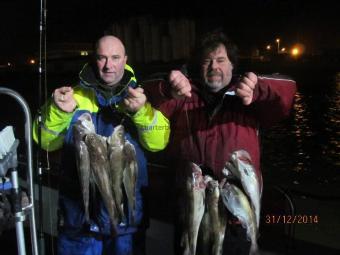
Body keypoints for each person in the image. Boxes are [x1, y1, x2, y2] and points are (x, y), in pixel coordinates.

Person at [143, 31, 297, 254]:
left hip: (235, 216)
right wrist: (168, 87)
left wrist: (258, 88)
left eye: (221, 60)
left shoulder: (249, 100)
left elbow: (288, 89)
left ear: (233, 66)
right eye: (207, 60)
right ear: (199, 65)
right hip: (191, 212)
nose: (214, 66)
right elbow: (144, 93)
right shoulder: (181, 97)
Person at [33, 35, 170, 255]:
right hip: (78, 219)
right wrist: (59, 112)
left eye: (115, 57)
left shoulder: (140, 96)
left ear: (125, 59)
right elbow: (46, 141)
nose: (109, 65)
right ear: (93, 59)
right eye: (102, 58)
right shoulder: (71, 96)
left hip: (126, 220)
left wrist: (141, 113)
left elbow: (158, 144)